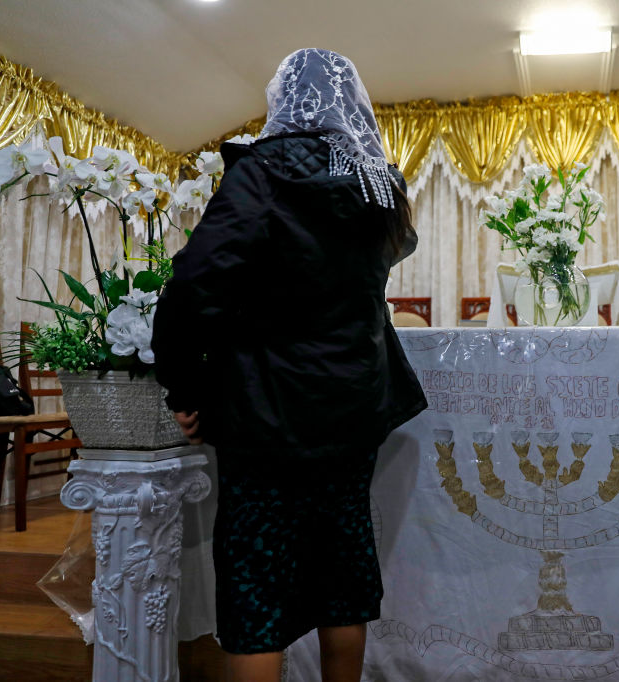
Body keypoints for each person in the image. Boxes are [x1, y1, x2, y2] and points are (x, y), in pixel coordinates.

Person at [152, 48, 427, 682]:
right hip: (355, 404)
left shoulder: (263, 171)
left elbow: (194, 287)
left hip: (266, 406)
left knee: (257, 585)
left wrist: (183, 388)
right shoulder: (379, 181)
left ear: (283, 101)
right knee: (343, 574)